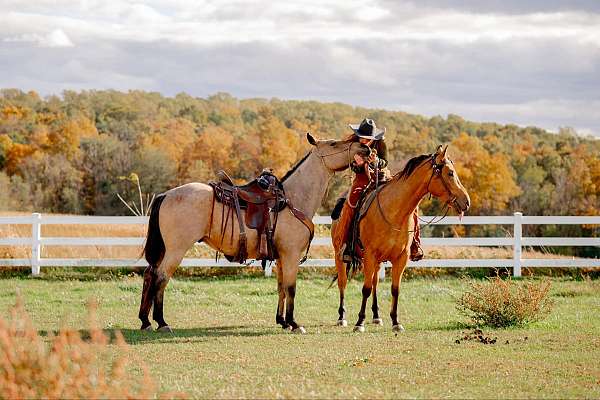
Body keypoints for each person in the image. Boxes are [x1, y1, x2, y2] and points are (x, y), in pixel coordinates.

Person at [332, 118, 423, 263]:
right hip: (362, 178)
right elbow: (352, 166)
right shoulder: (354, 146)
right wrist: (358, 165)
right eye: (362, 137)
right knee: (351, 204)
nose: (364, 140)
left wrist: (375, 161)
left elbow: (385, 161)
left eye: (367, 138)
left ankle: (415, 244)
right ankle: (345, 245)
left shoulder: (381, 143)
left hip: (383, 177)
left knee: (411, 203)